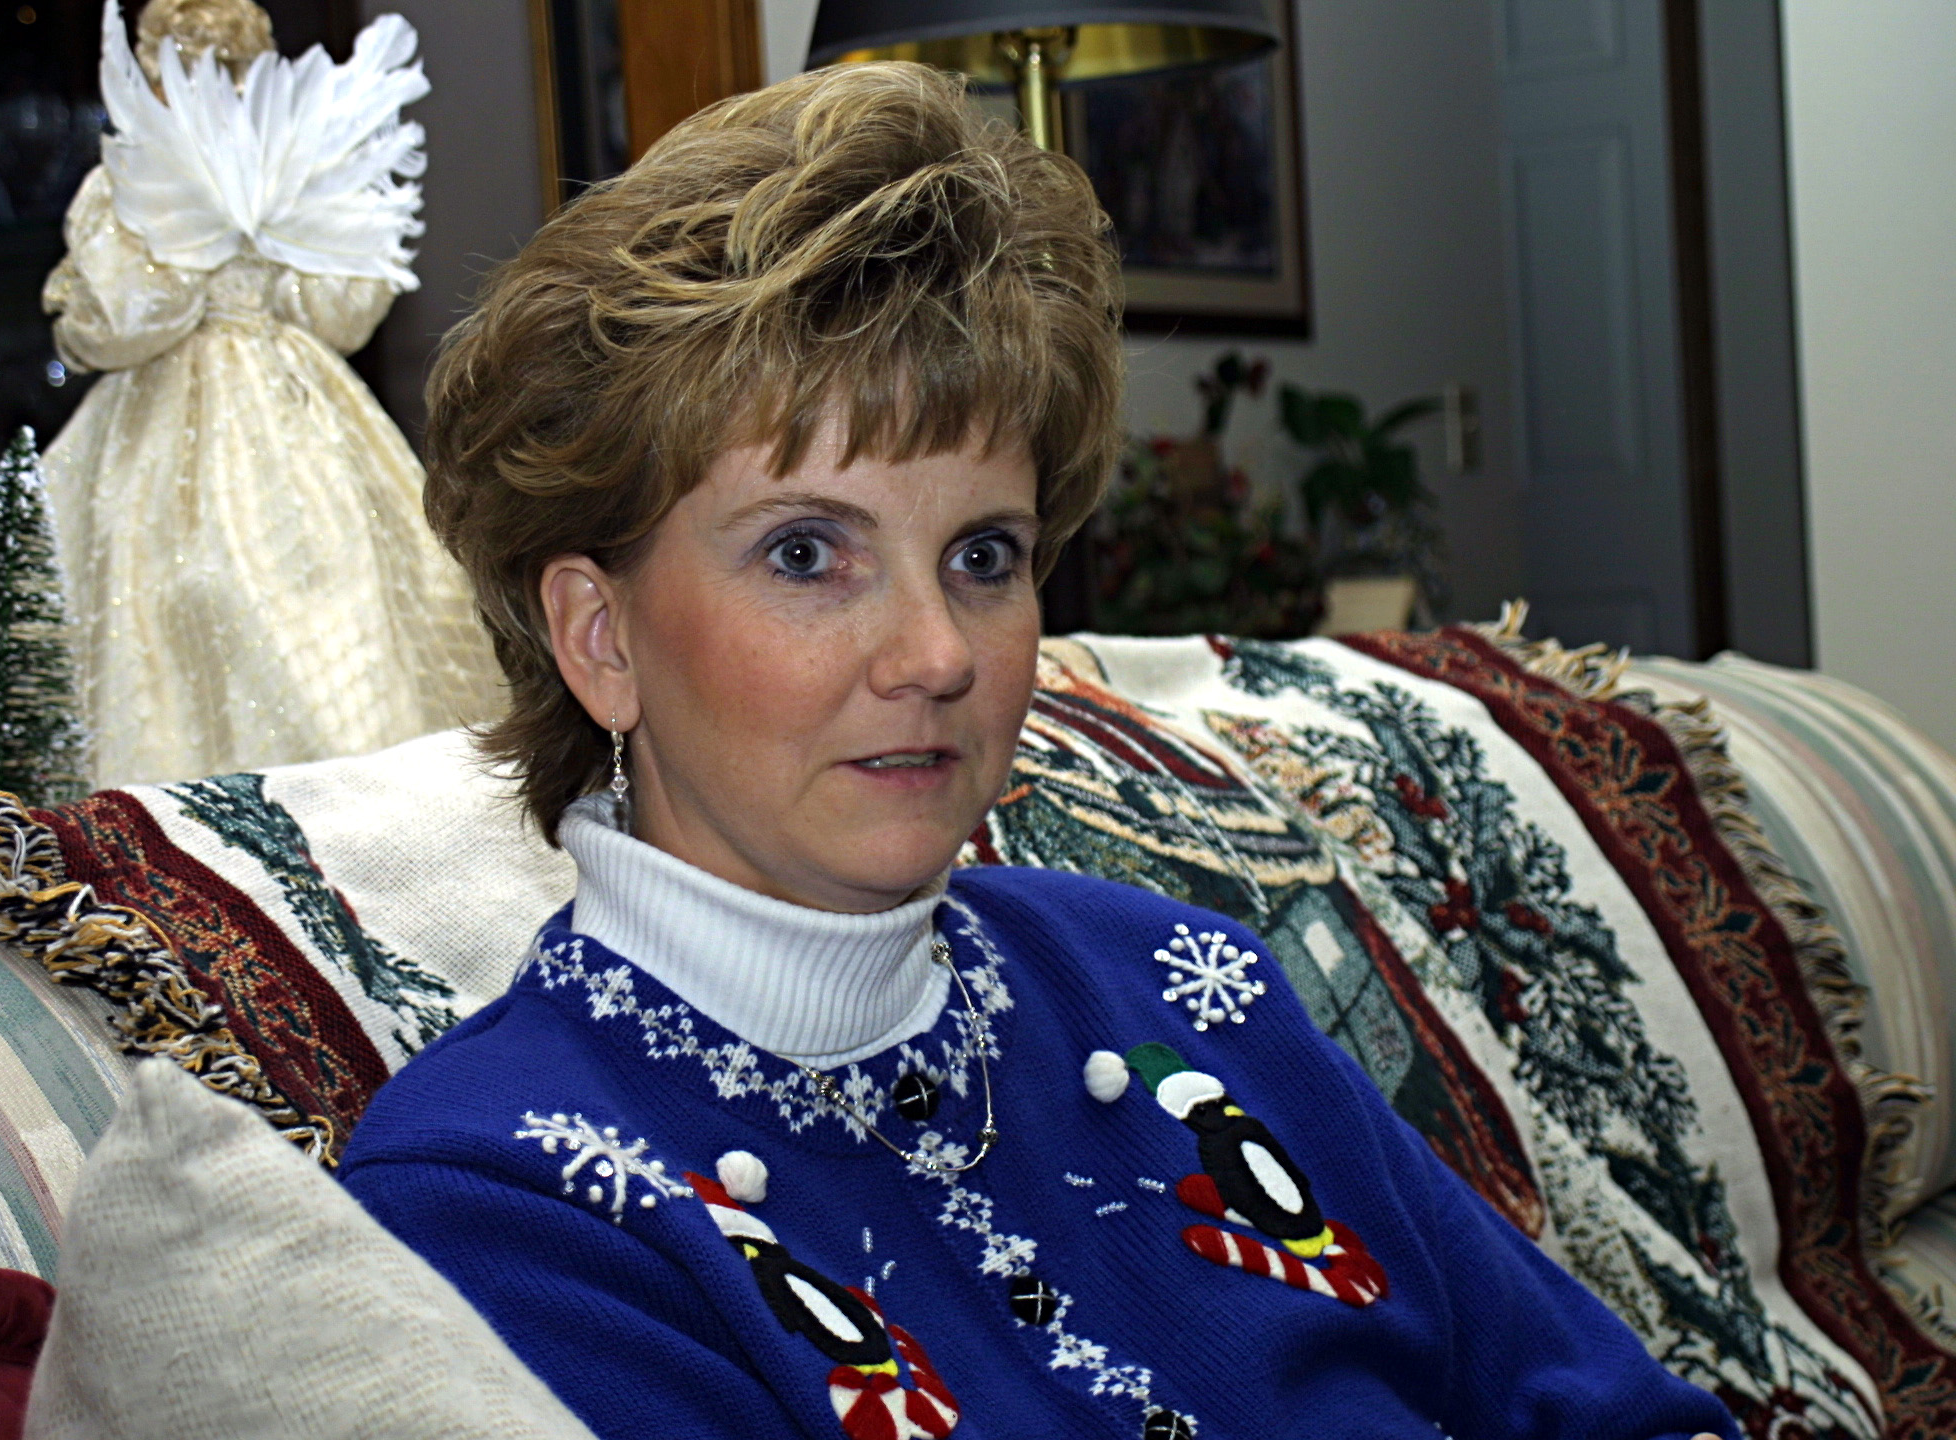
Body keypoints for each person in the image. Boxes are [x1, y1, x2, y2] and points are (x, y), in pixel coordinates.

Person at [337, 62, 1736, 1440]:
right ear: (600, 639)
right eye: (808, 553)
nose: (937, 653)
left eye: (983, 556)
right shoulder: (502, 1203)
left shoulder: (1187, 990)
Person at [38, 0, 500, 787]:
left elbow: (111, 322)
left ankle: (322, 796)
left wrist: (195, 251)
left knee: (284, 588)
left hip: (265, 399)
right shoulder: (156, 179)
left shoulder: (156, 183)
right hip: (237, 401)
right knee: (205, 590)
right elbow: (334, 309)